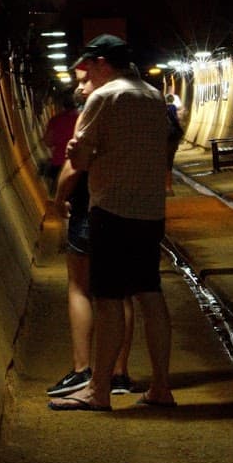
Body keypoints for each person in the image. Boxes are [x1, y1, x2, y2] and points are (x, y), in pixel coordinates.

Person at [48, 35, 177, 411]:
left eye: (89, 66)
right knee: (150, 295)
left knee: (107, 302)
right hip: (150, 211)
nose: (86, 74)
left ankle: (98, 390)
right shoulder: (154, 96)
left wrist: (77, 151)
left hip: (111, 210)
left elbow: (82, 160)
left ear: (104, 63)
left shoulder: (103, 98)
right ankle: (161, 387)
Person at [45, 78, 138, 399]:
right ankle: (119, 374)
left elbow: (73, 168)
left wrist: (58, 203)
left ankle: (82, 370)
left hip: (88, 211)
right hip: (125, 212)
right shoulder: (132, 121)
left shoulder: (88, 118)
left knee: (80, 288)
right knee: (122, 294)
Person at [40, 89, 79, 195]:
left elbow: (48, 142)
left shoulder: (55, 120)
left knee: (57, 196)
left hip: (59, 163)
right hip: (79, 167)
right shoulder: (83, 119)